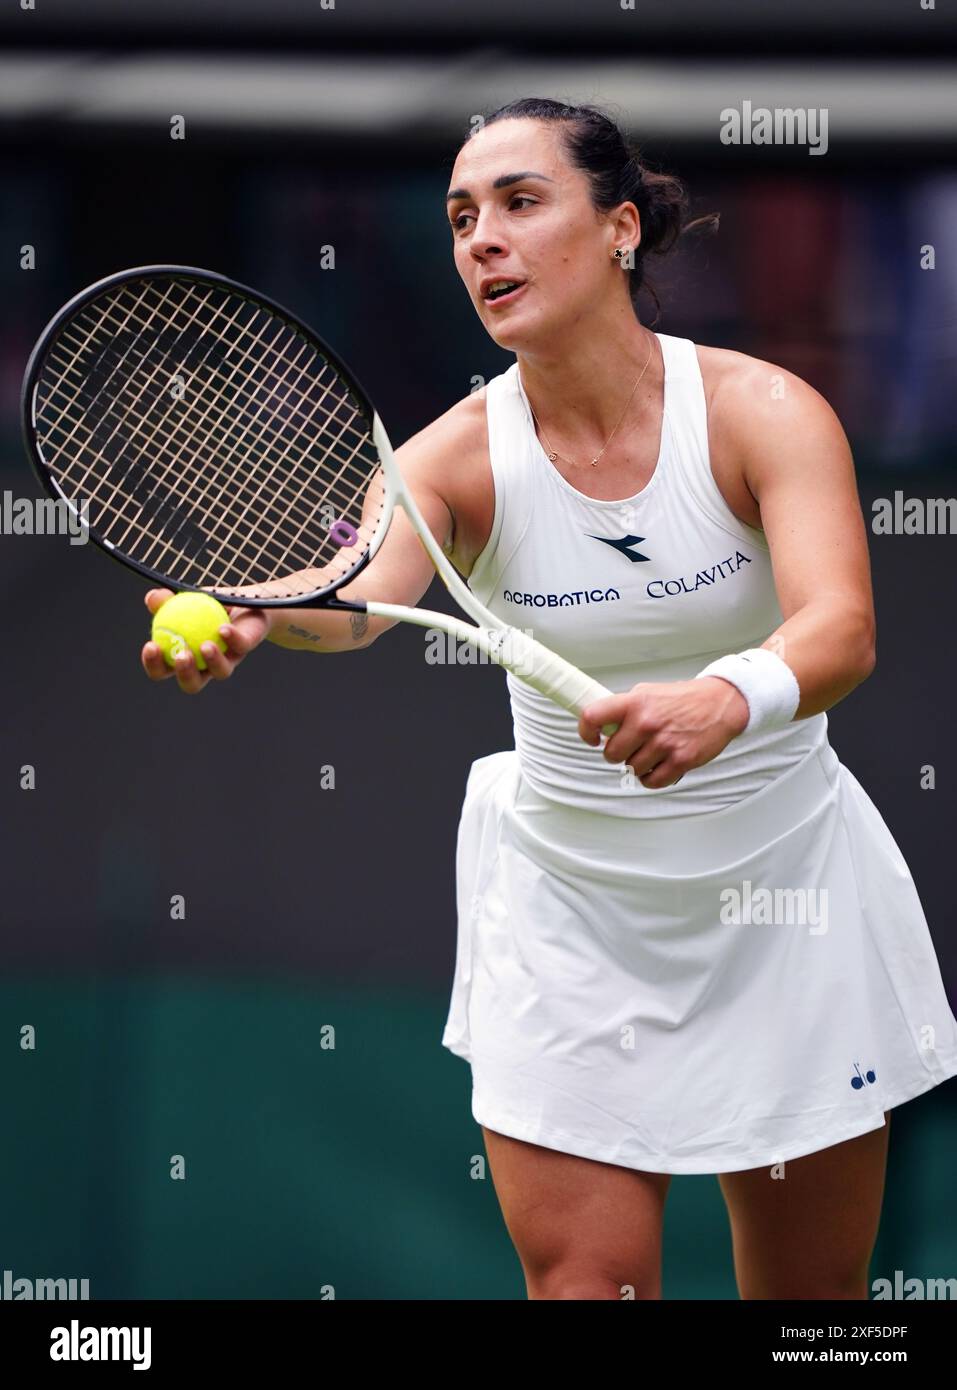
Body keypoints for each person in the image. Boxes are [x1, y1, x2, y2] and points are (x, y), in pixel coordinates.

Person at [141, 98, 957, 1301]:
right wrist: (258, 615)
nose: (482, 239)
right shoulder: (457, 455)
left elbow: (841, 628)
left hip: (784, 897)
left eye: (522, 204)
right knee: (587, 1290)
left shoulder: (760, 411)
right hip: (570, 918)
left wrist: (726, 698)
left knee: (812, 1313)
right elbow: (355, 593)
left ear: (621, 227)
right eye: (463, 217)